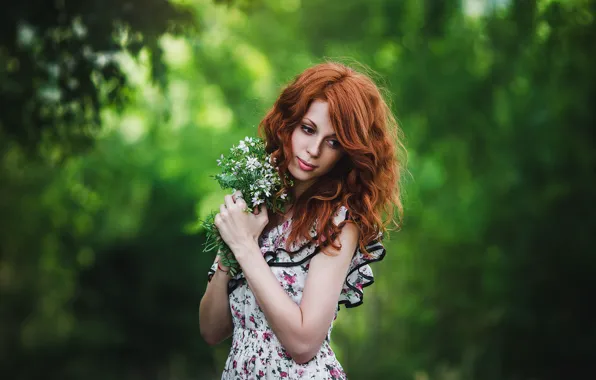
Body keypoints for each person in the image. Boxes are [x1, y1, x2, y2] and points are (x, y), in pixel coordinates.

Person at [199, 61, 404, 379]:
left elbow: (304, 343)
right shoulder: (256, 202)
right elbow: (212, 331)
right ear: (289, 124)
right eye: (308, 129)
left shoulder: (338, 223)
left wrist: (245, 246)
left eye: (333, 142)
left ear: (347, 153)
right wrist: (229, 252)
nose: (313, 150)